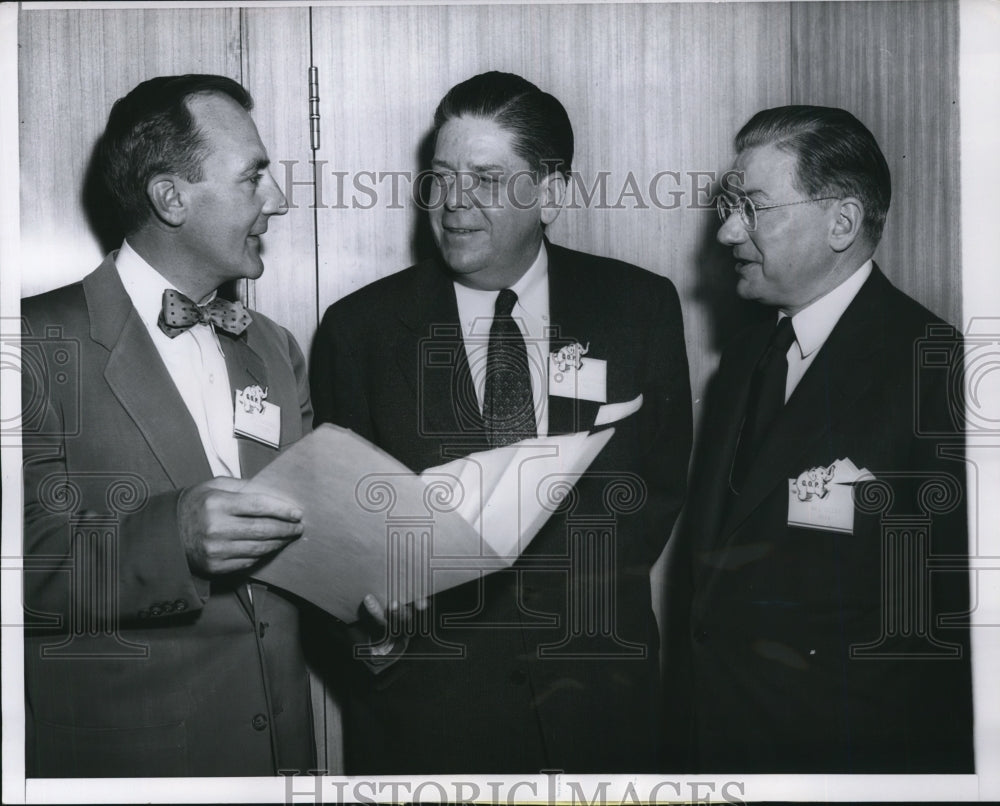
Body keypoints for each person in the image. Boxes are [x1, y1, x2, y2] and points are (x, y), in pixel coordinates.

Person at [310, 71, 692, 773]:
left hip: (600, 709)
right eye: (441, 177)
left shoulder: (638, 308)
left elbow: (658, 489)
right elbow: (338, 539)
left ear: (551, 193)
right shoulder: (359, 332)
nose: (453, 204)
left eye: (485, 179)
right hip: (428, 719)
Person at [21, 74, 316, 777]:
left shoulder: (274, 347)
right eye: (255, 178)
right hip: (128, 766)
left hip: (282, 762)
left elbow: (303, 541)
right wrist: (173, 537)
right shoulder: (29, 347)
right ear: (171, 197)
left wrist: (368, 611)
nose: (279, 200)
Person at [666, 105, 973, 773]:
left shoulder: (939, 373)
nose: (725, 231)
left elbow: (960, 637)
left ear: (842, 221)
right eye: (727, 205)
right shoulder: (745, 360)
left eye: (752, 207)